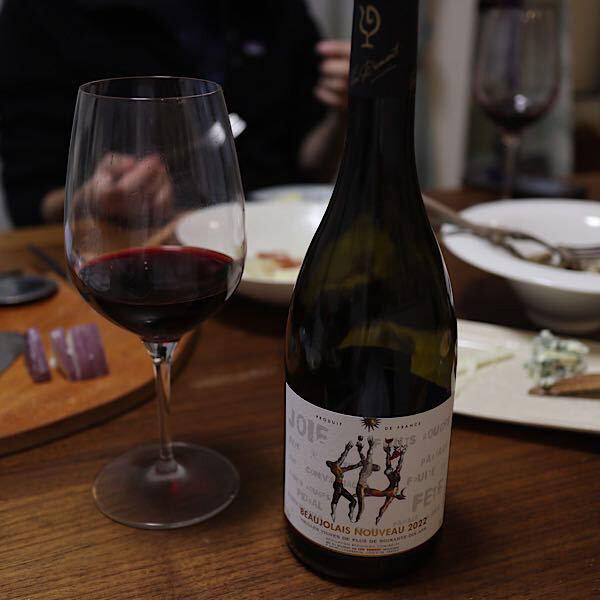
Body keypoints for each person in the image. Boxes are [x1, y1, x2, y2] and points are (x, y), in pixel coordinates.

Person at [0, 0, 350, 226]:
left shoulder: (275, 10)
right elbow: (31, 200)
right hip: (133, 256)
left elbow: (311, 167)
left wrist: (346, 111)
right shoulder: (43, 14)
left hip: (276, 248)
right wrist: (95, 201)